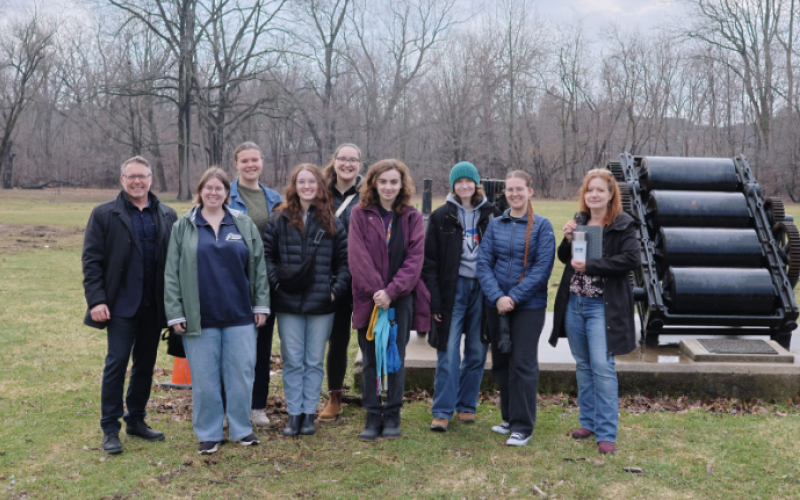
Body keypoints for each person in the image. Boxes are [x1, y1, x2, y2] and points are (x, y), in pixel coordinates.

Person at [164, 167, 270, 455]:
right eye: (208, 188)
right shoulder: (184, 226)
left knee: (241, 375)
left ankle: (241, 429)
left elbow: (259, 267)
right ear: (200, 191)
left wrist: (261, 304)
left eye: (219, 188)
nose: (213, 192)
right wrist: (175, 313)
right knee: (205, 379)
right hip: (201, 317)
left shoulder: (243, 224)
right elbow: (171, 273)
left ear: (227, 193)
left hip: (239, 314)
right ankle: (209, 432)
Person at [82, 156, 178, 455]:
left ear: (151, 179)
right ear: (122, 180)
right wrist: (97, 299)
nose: (137, 181)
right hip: (121, 306)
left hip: (153, 307)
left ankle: (136, 420)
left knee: (145, 366)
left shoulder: (167, 215)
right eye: (131, 176)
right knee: (117, 364)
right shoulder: (104, 214)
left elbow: (175, 264)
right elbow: (92, 261)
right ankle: (110, 428)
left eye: (142, 176)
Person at [549, 169, 640, 455]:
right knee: (584, 365)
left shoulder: (624, 224)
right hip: (575, 303)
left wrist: (591, 265)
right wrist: (567, 239)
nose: (594, 195)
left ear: (611, 194)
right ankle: (587, 421)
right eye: (590, 191)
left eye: (600, 190)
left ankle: (606, 432)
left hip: (603, 307)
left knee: (602, 367)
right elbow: (566, 259)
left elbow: (631, 260)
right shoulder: (581, 221)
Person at [263, 164, 350, 437]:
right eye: (302, 181)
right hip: (288, 304)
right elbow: (267, 256)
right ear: (294, 185)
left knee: (313, 361)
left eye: (312, 181)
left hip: (321, 304)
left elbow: (345, 263)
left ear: (320, 185)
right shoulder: (279, 218)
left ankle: (309, 413)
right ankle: (294, 414)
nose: (307, 186)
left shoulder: (332, 220)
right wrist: (276, 284)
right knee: (292, 361)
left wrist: (333, 291)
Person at [348, 159, 430, 441]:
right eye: (382, 181)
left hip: (400, 299)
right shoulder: (360, 214)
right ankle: (372, 414)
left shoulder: (412, 217)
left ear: (402, 185)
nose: (388, 187)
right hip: (368, 299)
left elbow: (415, 259)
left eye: (394, 181)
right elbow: (357, 258)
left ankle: (393, 413)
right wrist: (377, 292)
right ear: (373, 183)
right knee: (370, 359)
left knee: (394, 358)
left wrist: (392, 291)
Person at [476, 170, 555, 447]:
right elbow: (483, 263)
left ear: (530, 192)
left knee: (522, 363)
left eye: (520, 189)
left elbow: (542, 269)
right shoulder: (496, 224)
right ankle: (509, 417)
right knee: (501, 363)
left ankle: (523, 426)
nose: (514, 194)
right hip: (495, 305)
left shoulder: (542, 227)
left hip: (528, 307)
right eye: (510, 189)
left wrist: (513, 298)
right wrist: (498, 297)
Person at [423, 162, 501, 432]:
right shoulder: (441, 216)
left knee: (477, 351)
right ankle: (442, 410)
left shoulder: (492, 215)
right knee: (448, 353)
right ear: (453, 185)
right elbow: (429, 263)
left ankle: (466, 405)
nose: (464, 185)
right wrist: (434, 300)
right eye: (459, 181)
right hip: (451, 291)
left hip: (483, 290)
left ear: (476, 183)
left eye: (469, 181)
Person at [227, 142, 283, 427]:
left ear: (263, 162)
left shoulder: (274, 198)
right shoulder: (224, 195)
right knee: (232, 348)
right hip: (231, 281)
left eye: (255, 160)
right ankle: (228, 407)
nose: (250, 165)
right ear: (236, 163)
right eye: (244, 160)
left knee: (261, 347)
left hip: (265, 283)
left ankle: (256, 405)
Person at [319, 143, 363, 421]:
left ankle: (373, 392)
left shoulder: (368, 194)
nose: (347, 164)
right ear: (334, 162)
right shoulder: (320, 193)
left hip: (362, 278)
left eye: (353, 160)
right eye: (342, 159)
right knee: (337, 340)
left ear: (360, 164)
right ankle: (334, 395)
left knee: (369, 339)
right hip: (331, 277)